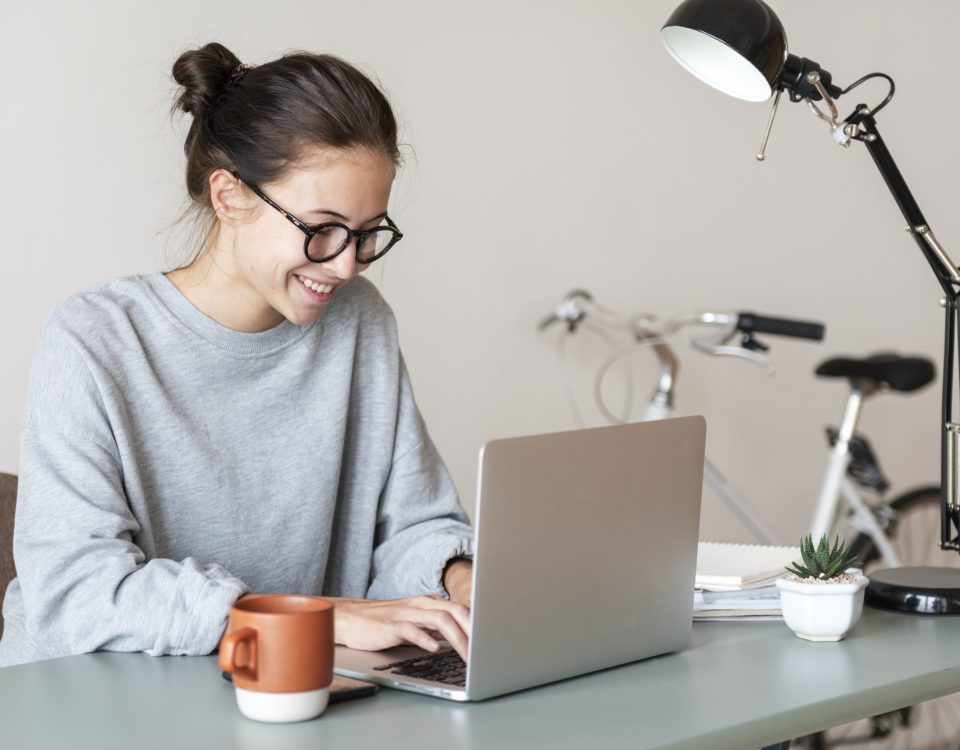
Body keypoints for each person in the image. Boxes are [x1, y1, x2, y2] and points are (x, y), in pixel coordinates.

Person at [0, 42, 474, 668]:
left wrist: (461, 582)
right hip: (92, 697)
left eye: (366, 235)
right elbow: (76, 595)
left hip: (278, 686)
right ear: (229, 196)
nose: (345, 264)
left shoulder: (360, 322)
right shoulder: (94, 339)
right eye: (322, 228)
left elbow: (412, 526)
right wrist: (320, 618)